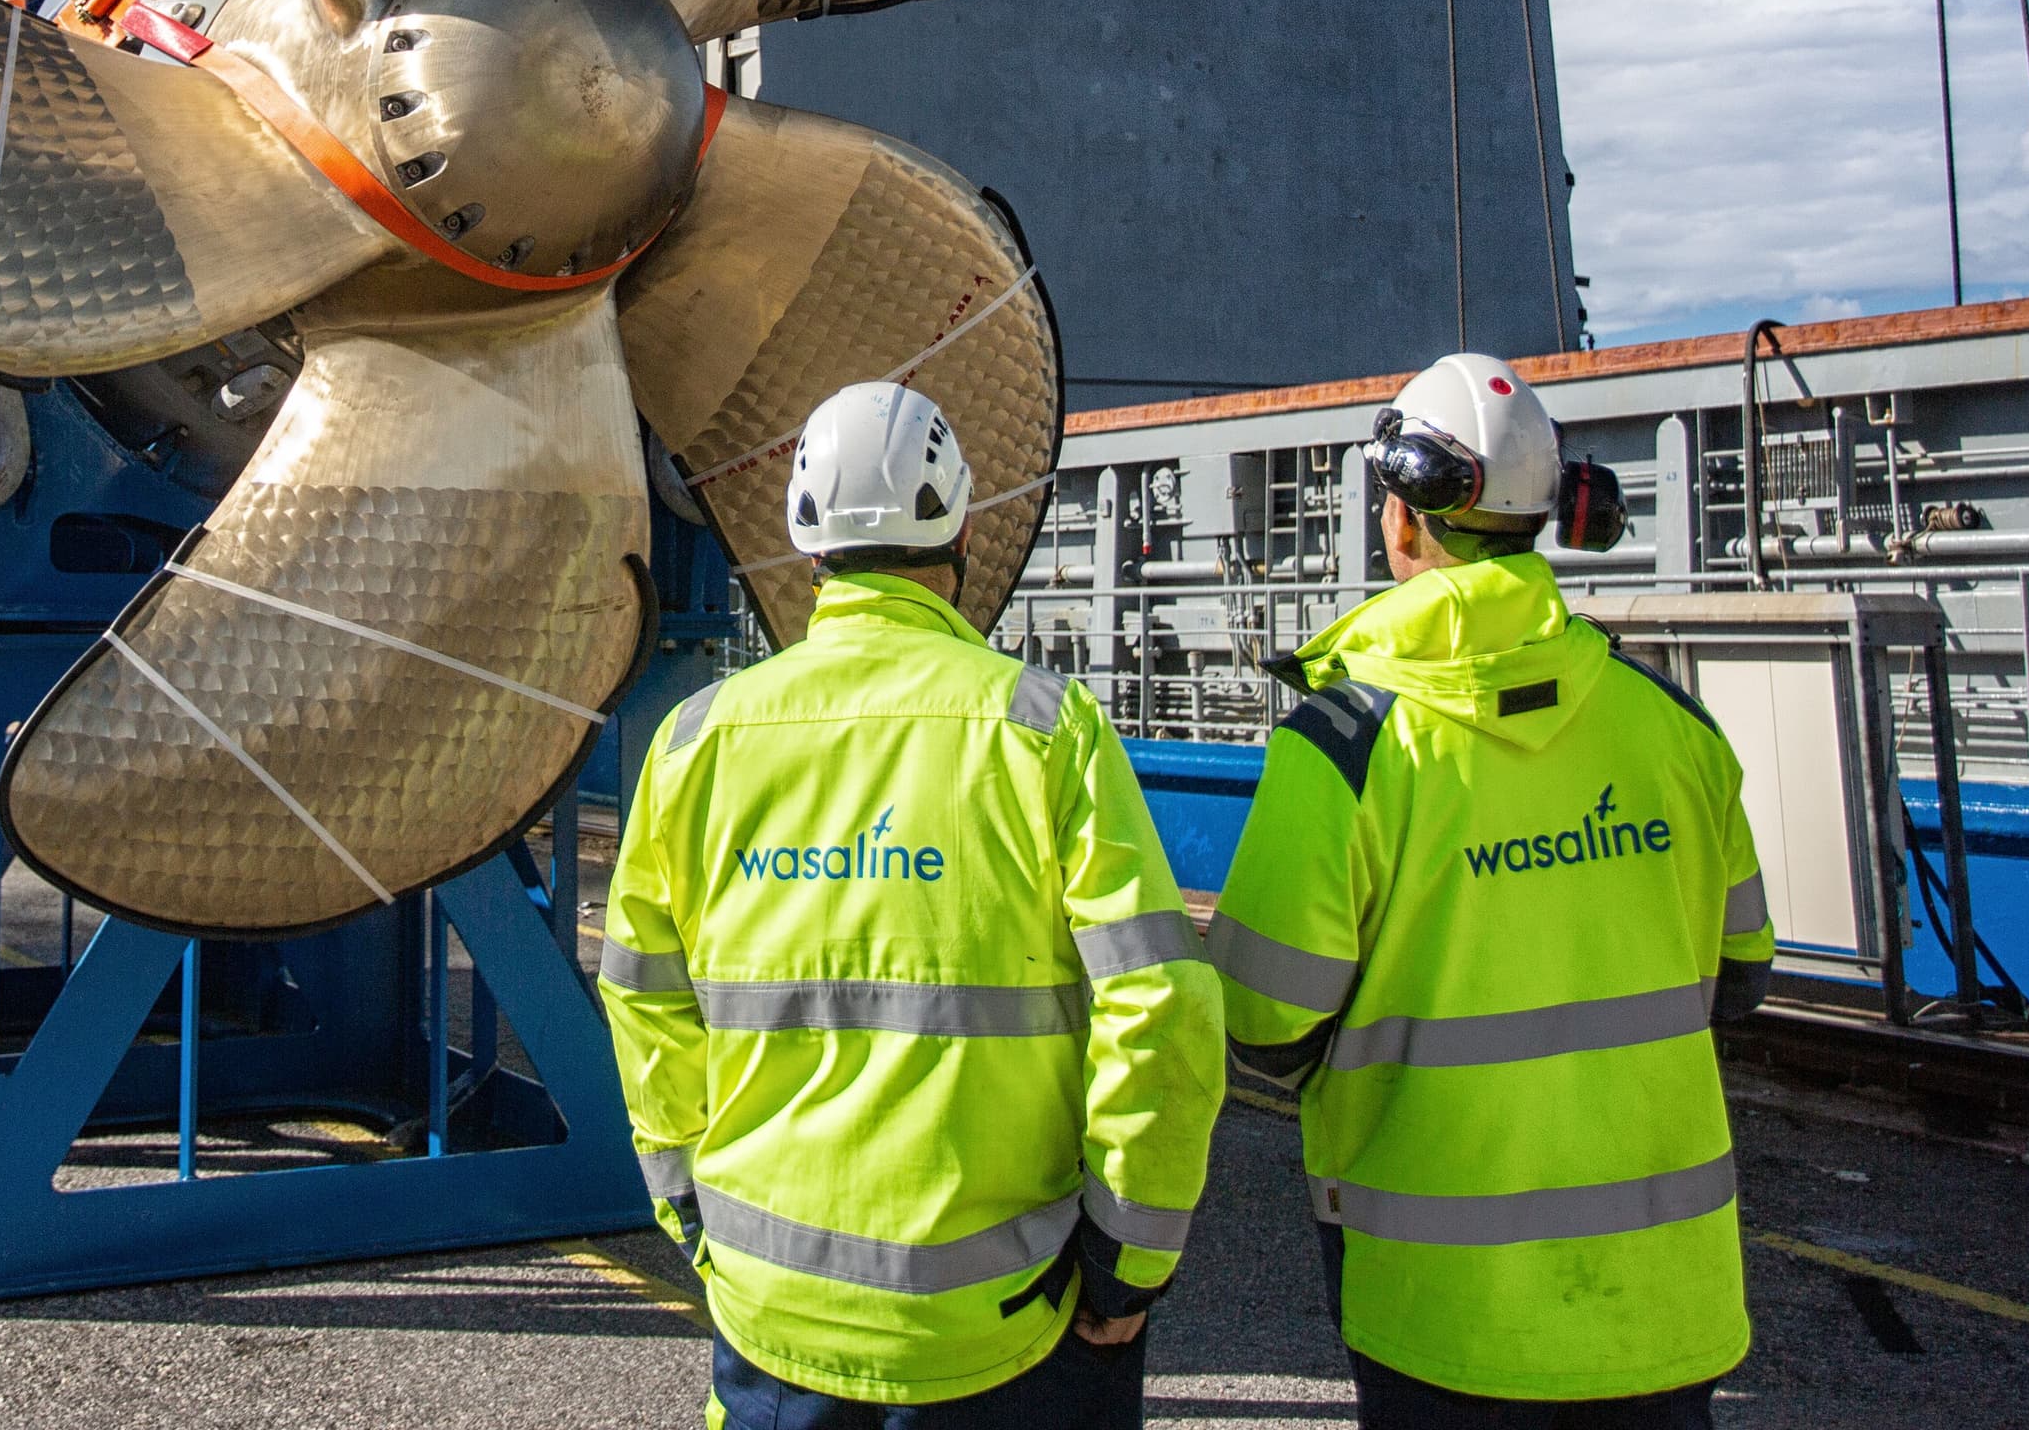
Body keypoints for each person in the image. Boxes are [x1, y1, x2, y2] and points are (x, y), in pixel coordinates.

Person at [602, 383, 1226, 1427]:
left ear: (804, 541)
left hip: (771, 1312)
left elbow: (643, 1004)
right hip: (1006, 1321)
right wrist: (1131, 1256)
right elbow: (1158, 1005)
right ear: (962, 527)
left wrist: (689, 1211)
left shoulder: (697, 741)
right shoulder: (1043, 731)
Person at [1212, 354, 1775, 1426]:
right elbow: (1742, 974)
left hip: (1443, 1314)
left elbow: (1263, 1020)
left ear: (1404, 520)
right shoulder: (1672, 727)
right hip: (1669, 1310)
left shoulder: (1346, 748)